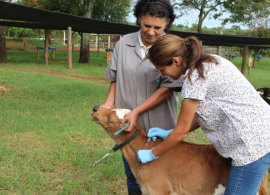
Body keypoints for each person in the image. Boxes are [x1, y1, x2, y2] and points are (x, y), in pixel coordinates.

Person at [137, 34, 270, 195]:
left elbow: (182, 131)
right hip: (261, 134)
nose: (163, 75)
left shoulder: (194, 78)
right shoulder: (211, 61)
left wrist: (153, 153)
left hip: (252, 147)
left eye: (162, 69)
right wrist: (170, 132)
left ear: (176, 61)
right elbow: (205, 114)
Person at [92, 1, 182, 195]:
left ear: (167, 23)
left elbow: (169, 88)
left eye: (157, 27)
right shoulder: (124, 43)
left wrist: (137, 111)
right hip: (127, 124)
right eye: (146, 25)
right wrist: (107, 106)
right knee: (134, 175)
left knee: (162, 177)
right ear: (139, 19)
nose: (151, 32)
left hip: (160, 125)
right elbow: (115, 79)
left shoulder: (172, 47)